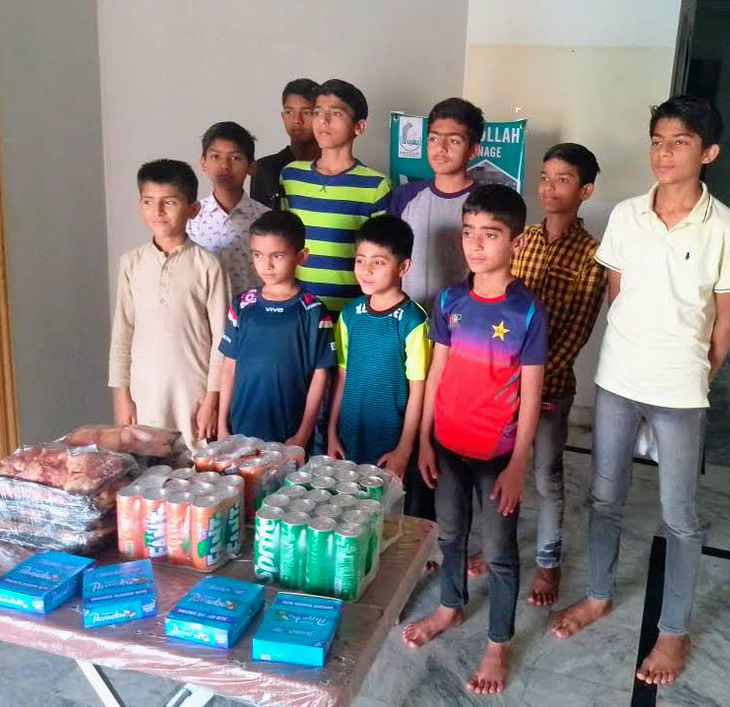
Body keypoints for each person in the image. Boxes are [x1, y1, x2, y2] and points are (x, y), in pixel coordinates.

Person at [551, 96, 730, 686]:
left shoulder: (726, 228)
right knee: (604, 499)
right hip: (617, 381)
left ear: (708, 153)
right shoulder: (627, 216)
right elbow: (619, 293)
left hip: (681, 391)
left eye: (680, 142)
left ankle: (673, 630)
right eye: (658, 140)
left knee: (681, 516)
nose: (664, 152)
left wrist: (695, 374)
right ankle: (596, 594)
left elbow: (729, 319)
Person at [402, 185, 548, 696]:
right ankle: (450, 605)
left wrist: (517, 465)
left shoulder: (528, 312)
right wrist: (424, 439)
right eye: (469, 233)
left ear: (516, 240)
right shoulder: (450, 300)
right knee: (450, 534)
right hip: (447, 444)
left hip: (496, 454)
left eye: (491, 234)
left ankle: (498, 643)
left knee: (501, 552)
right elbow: (437, 371)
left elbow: (531, 398)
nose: (476, 244)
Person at [470, 143, 606, 606]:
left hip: (548, 388)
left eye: (563, 179)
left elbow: (576, 332)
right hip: (496, 387)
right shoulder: (519, 239)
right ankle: (495, 548)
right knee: (495, 472)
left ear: (585, 190)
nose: (549, 187)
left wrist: (530, 384)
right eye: (545, 177)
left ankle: (548, 562)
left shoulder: (592, 256)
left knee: (545, 476)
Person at [109, 159, 230, 444]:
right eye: (148, 202)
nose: (157, 211)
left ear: (192, 209)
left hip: (193, 392)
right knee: (144, 471)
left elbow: (222, 340)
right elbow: (122, 332)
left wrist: (212, 400)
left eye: (169, 202)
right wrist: (122, 393)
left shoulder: (208, 266)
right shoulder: (131, 263)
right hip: (143, 393)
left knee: (193, 471)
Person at [327, 215, 433, 516]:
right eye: (360, 261)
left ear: (403, 267)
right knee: (349, 515)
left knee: (389, 519)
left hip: (391, 442)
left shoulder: (413, 321)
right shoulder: (350, 315)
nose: (366, 270)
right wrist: (333, 431)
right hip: (350, 438)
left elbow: (418, 391)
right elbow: (343, 376)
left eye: (378, 262)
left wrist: (404, 449)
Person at [216, 211, 336, 447]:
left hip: (290, 435)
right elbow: (229, 365)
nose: (266, 265)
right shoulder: (242, 305)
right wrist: (222, 425)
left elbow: (320, 376)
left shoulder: (312, 310)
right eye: (258, 255)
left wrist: (302, 435)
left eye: (277, 256)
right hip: (240, 431)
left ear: (301, 256)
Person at [279, 79, 391, 316]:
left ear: (359, 127)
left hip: (351, 313)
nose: (323, 120)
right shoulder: (291, 176)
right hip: (297, 310)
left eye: (336, 113)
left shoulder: (376, 185)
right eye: (318, 112)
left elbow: (381, 258)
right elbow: (282, 244)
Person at [390, 97, 484, 309]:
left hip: (463, 323)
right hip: (410, 320)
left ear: (473, 150)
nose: (440, 148)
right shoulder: (406, 196)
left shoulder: (485, 202)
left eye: (453, 141)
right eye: (433, 139)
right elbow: (391, 258)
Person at [187, 121, 268, 294]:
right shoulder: (192, 218)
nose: (225, 166)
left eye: (235, 158)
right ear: (203, 163)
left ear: (251, 167)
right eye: (216, 156)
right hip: (204, 316)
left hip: (251, 317)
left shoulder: (265, 219)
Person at [250, 78, 320, 210]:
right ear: (282, 116)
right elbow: (261, 225)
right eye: (289, 112)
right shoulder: (266, 169)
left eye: (306, 112)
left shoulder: (333, 168)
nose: (297, 120)